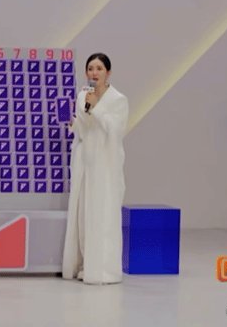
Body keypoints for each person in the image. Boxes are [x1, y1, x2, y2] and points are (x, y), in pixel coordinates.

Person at [62, 52, 129, 285]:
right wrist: (73, 122)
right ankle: (85, 265)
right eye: (91, 68)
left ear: (108, 72)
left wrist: (95, 108)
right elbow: (84, 129)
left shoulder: (118, 99)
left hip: (105, 164)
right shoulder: (83, 96)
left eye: (99, 68)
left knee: (104, 214)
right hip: (85, 162)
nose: (94, 72)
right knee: (84, 215)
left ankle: (104, 270)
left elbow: (115, 130)